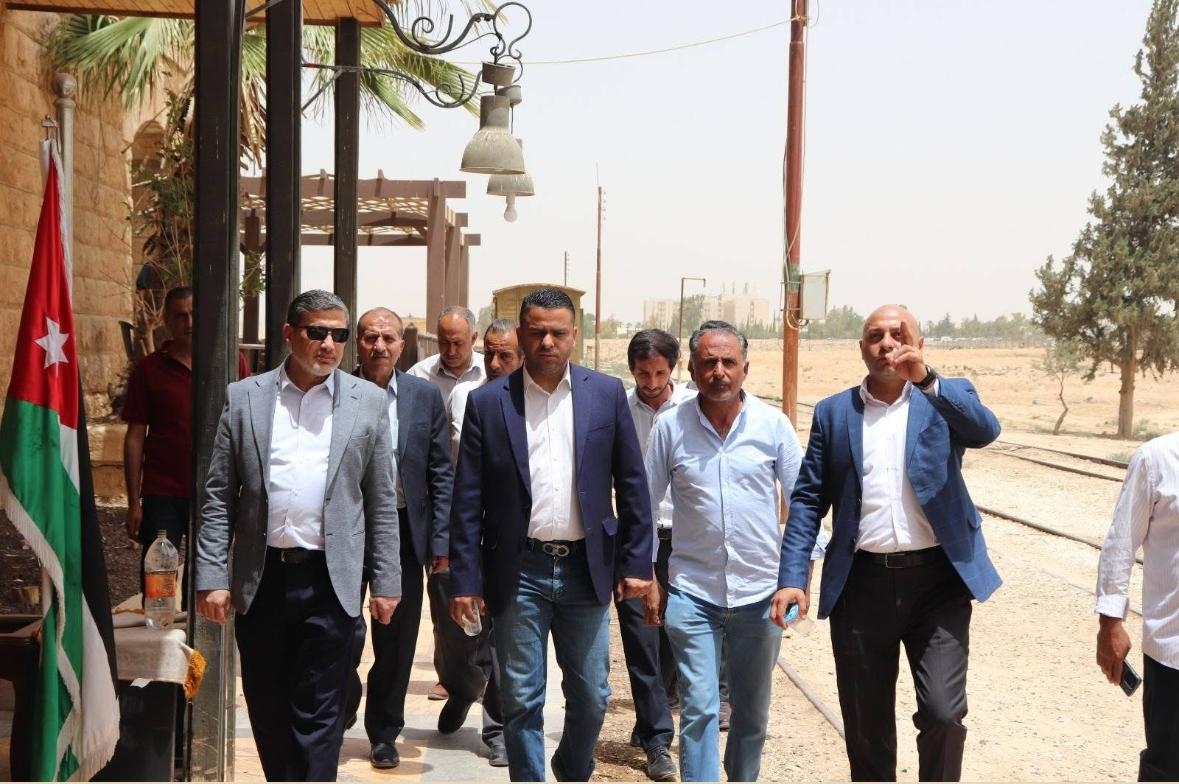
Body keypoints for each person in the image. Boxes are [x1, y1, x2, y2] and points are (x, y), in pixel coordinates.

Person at [773, 304, 1002, 782]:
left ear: (919, 342)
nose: (887, 344)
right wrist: (794, 577)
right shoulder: (834, 413)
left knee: (943, 713)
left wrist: (927, 380)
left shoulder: (948, 395)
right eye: (875, 336)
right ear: (861, 348)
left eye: (899, 334)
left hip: (938, 585)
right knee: (866, 727)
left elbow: (985, 431)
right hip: (861, 587)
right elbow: (808, 499)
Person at [194, 289, 401, 782]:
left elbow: (380, 501)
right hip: (262, 580)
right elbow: (219, 495)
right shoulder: (245, 398)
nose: (329, 344)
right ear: (289, 334)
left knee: (320, 715)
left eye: (339, 335)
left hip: (331, 581)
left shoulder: (368, 403)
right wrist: (212, 575)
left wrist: (387, 580)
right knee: (268, 710)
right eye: (317, 332)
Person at [448, 287, 654, 782]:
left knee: (593, 695)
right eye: (537, 332)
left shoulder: (604, 394)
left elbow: (632, 484)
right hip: (519, 570)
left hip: (587, 568)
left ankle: (571, 768)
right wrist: (465, 581)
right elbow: (467, 500)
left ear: (573, 335)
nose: (547, 342)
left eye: (558, 332)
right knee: (522, 697)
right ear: (521, 334)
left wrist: (636, 563)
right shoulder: (487, 403)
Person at [644, 320, 803, 782]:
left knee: (752, 712)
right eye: (708, 362)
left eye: (728, 362)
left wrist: (797, 579)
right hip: (692, 593)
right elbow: (644, 506)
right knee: (699, 707)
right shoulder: (670, 427)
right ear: (692, 370)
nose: (719, 371)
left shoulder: (773, 426)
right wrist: (648, 576)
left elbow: (803, 504)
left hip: (761, 595)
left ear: (745, 368)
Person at [345, 307, 469, 770]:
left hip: (402, 531)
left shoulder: (423, 396)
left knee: (395, 641)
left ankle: (383, 732)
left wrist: (440, 543)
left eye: (388, 338)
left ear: (402, 345)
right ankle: (343, 701)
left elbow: (440, 473)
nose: (379, 346)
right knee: (342, 632)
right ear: (358, 344)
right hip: (346, 528)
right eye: (370, 337)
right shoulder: (337, 390)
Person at [121, 286, 250, 601]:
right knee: (158, 578)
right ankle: (160, 630)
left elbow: (248, 427)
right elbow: (135, 435)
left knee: (208, 577)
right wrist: (134, 502)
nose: (189, 322)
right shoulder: (149, 370)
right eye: (180, 316)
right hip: (162, 491)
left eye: (194, 314)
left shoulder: (230, 363)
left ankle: (200, 632)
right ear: (167, 320)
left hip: (215, 491)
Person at [616, 329, 688, 781]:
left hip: (686, 541)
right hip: (635, 538)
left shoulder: (693, 410)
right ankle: (658, 740)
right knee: (641, 640)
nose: (652, 383)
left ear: (673, 369)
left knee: (675, 636)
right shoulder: (618, 410)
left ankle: (651, 715)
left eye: (660, 373)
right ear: (632, 370)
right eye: (644, 374)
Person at [1095, 430, 1179, 781]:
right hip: (1172, 650)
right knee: (1168, 767)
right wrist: (1110, 622)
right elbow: (1121, 542)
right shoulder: (1157, 458)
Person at [408, 305, 486, 460]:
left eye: (458, 343)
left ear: (473, 338)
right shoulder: (417, 375)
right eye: (444, 342)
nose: (451, 351)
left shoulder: (489, 373)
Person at [448, 319, 524, 461]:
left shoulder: (533, 403)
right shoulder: (462, 395)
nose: (494, 364)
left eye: (504, 356)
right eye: (489, 354)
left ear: (523, 359)